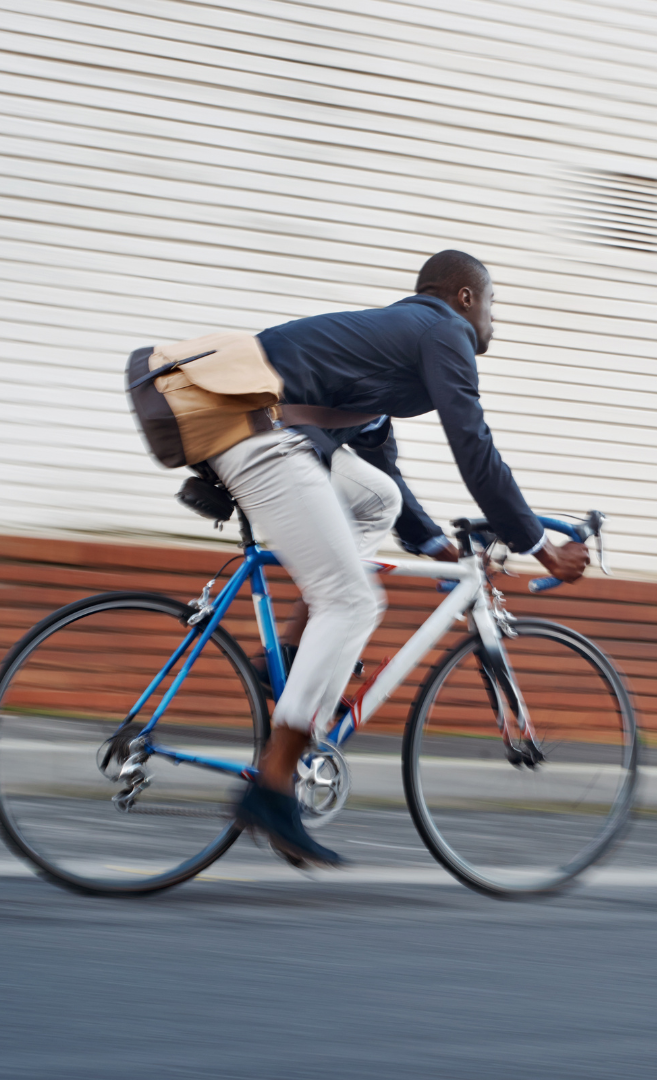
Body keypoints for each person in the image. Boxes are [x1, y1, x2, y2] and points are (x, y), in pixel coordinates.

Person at [211, 250, 589, 866]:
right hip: (255, 430)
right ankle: (273, 787)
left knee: (376, 500)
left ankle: (291, 651)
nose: (494, 321)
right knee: (355, 599)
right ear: (464, 298)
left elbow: (381, 474)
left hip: (257, 429)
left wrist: (441, 549)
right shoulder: (443, 331)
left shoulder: (385, 359)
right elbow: (473, 443)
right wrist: (537, 544)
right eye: (492, 304)